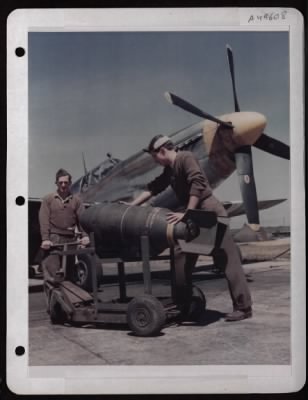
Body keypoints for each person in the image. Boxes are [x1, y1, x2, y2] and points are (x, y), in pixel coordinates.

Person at [128, 135, 252, 321]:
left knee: (226, 260)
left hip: (209, 215)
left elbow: (198, 183)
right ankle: (185, 303)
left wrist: (187, 213)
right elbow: (154, 188)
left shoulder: (186, 158)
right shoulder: (170, 169)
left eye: (154, 156)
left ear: (162, 151)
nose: (154, 160)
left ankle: (243, 308)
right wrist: (131, 206)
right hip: (197, 217)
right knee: (181, 256)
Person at [39, 168, 90, 287]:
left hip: (70, 240)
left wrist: (85, 235)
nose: (63, 185)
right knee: (53, 276)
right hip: (54, 240)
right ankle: (53, 304)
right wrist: (45, 238)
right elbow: (44, 220)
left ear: (70, 183)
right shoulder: (48, 199)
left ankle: (67, 303)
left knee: (69, 276)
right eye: (60, 182)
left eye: (66, 183)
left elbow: (82, 220)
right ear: (56, 183)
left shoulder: (77, 201)